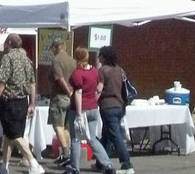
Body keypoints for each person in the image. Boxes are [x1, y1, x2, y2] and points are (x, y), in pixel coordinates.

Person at [0, 33, 43, 174]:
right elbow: (32, 84)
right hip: (22, 102)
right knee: (8, 135)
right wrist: (32, 103)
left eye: (5, 43)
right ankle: (4, 166)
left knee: (14, 135)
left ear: (9, 44)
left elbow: (1, 82)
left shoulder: (8, 58)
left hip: (9, 102)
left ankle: (33, 163)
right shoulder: (27, 60)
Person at [65, 46, 113, 174]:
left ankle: (75, 167)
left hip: (80, 109)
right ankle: (107, 164)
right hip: (93, 108)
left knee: (75, 139)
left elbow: (78, 93)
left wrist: (79, 113)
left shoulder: (77, 73)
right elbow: (98, 88)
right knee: (92, 138)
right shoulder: (94, 71)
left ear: (76, 57)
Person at [97, 46, 134, 174]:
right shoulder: (119, 70)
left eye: (100, 55)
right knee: (107, 135)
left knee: (115, 135)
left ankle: (126, 164)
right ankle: (101, 162)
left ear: (104, 57)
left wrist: (91, 100)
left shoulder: (102, 71)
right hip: (119, 105)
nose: (98, 57)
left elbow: (99, 89)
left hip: (107, 106)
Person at [49, 35, 77, 165]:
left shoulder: (56, 60)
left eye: (53, 48)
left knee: (57, 126)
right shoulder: (73, 61)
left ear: (56, 47)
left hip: (59, 97)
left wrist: (68, 91)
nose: (53, 51)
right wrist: (72, 93)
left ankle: (65, 153)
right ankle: (66, 154)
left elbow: (59, 78)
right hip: (70, 98)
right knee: (66, 126)